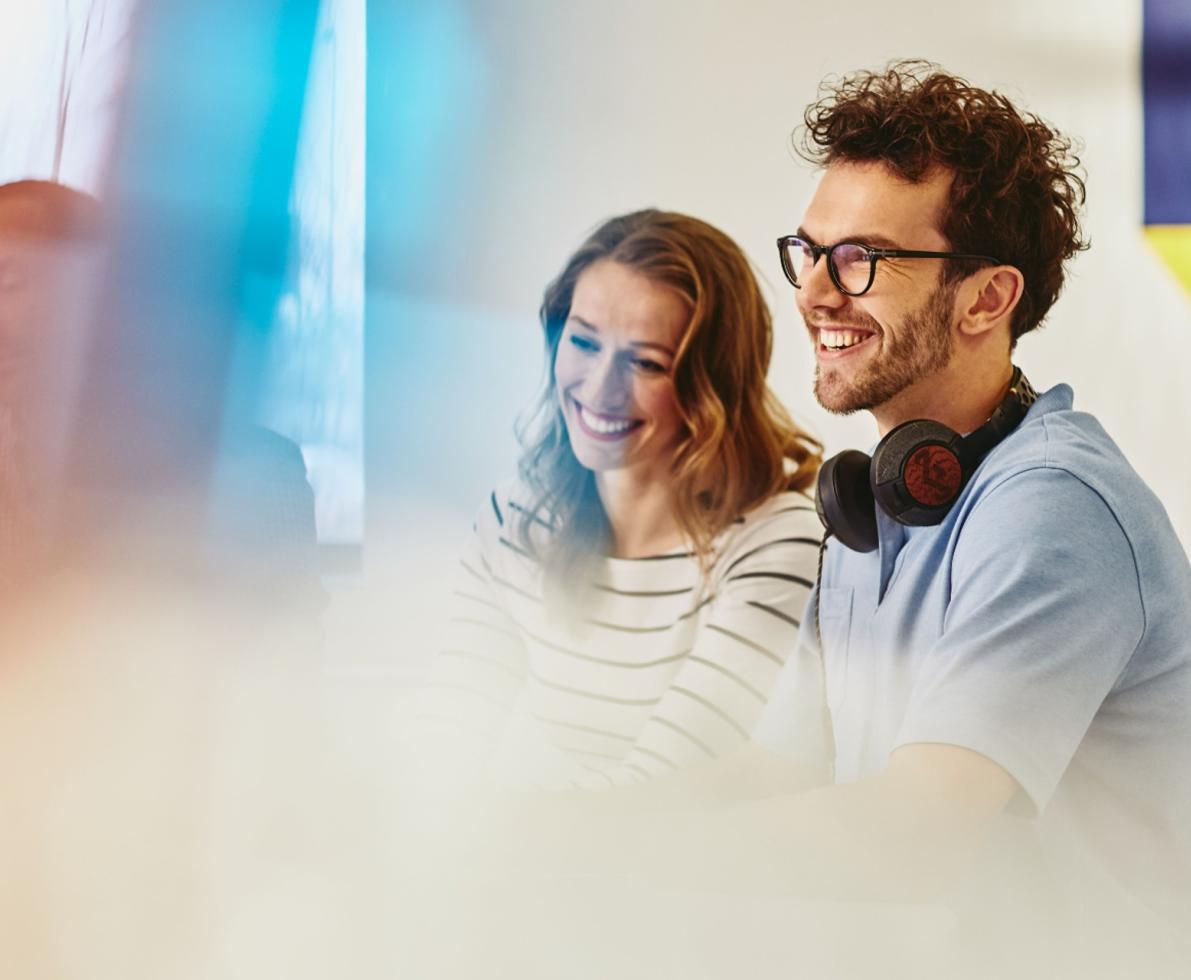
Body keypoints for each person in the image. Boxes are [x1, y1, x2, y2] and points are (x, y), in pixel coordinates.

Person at [411, 208, 824, 795]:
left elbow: (656, 790)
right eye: (583, 341)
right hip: (561, 859)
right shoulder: (518, 519)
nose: (599, 389)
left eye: (645, 363)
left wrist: (481, 829)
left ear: (712, 384)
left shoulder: (776, 543)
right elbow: (445, 737)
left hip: (688, 871)